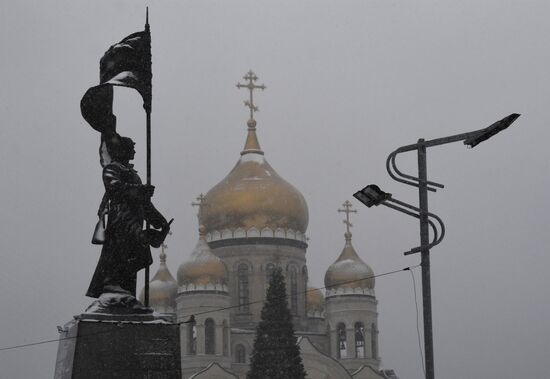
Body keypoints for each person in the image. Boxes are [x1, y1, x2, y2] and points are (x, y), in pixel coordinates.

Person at [86, 134, 170, 298]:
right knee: (120, 252)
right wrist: (140, 190)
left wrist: (158, 220)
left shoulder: (133, 174)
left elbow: (144, 204)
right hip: (121, 218)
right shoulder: (112, 169)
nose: (134, 152)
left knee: (135, 255)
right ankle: (112, 283)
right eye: (132, 149)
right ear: (122, 150)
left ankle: (125, 289)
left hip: (135, 219)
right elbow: (114, 187)